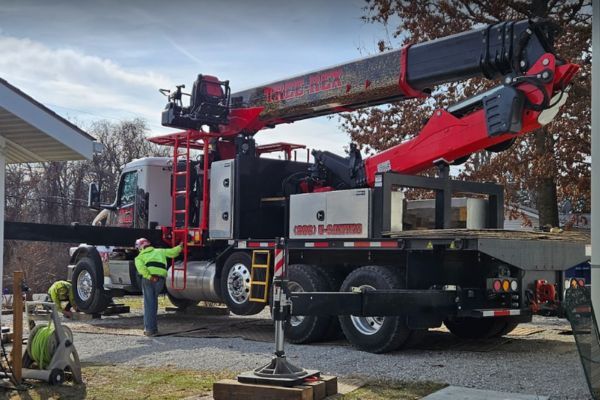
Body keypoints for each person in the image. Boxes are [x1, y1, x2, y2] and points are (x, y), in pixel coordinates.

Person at [134, 238, 182, 336]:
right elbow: (173, 252)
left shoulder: (139, 257)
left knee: (149, 304)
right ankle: (153, 328)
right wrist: (180, 246)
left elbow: (141, 269)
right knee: (153, 303)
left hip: (149, 280)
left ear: (140, 247)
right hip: (160, 280)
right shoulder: (160, 251)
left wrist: (150, 277)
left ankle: (150, 330)